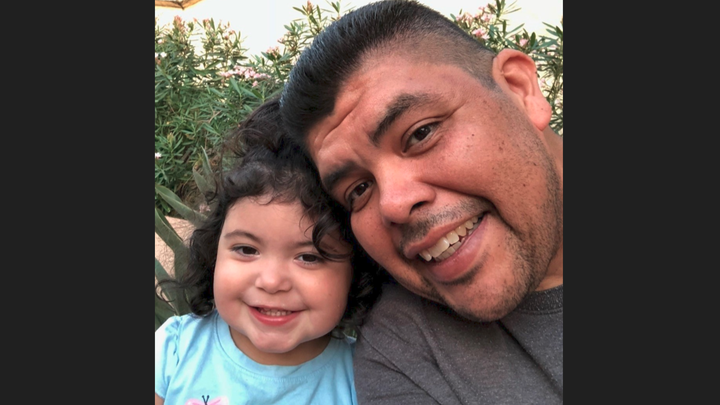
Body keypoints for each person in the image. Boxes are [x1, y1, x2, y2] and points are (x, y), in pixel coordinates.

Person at [279, 0, 563, 403]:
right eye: (358, 191)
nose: (393, 204)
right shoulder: (403, 350)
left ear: (519, 89)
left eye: (421, 133)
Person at [154, 96, 382, 405]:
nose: (271, 282)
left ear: (356, 274)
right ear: (214, 253)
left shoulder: (367, 380)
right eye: (247, 249)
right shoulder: (173, 352)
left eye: (308, 257)